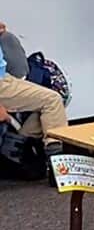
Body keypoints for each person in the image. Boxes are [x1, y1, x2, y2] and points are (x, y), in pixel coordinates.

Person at [0, 23, 67, 152]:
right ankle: (55, 157)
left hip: (6, 76)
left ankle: (18, 146)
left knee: (48, 107)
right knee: (52, 100)